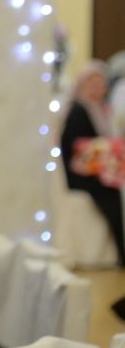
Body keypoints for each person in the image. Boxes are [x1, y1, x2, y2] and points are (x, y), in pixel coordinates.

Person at [59, 60, 125, 270]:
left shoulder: (101, 110)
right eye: (93, 85)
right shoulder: (78, 111)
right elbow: (78, 149)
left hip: (99, 171)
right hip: (82, 175)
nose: (98, 90)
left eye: (101, 85)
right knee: (111, 197)